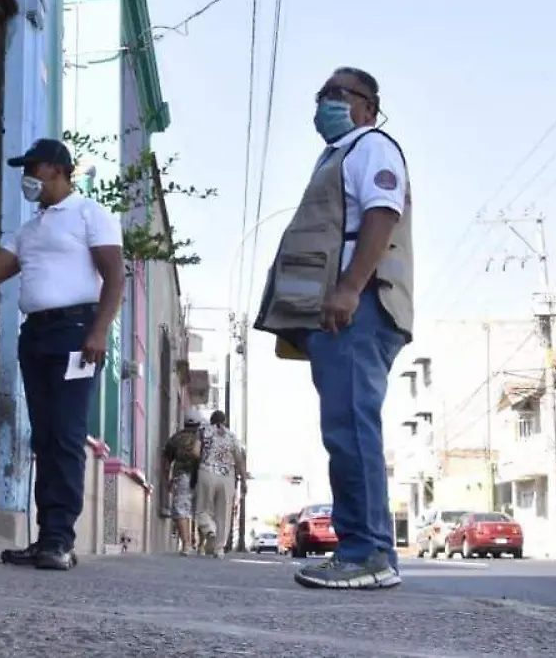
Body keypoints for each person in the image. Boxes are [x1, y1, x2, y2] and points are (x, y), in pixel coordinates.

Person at [253, 67, 413, 590]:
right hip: (340, 310)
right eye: (321, 94)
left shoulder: (371, 146)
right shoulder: (340, 154)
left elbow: (382, 213)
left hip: (360, 305)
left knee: (351, 428)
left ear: (368, 106)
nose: (324, 104)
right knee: (344, 430)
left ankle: (369, 553)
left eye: (337, 95)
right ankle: (363, 549)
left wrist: (347, 288)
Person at [0, 138, 125, 571]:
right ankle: (45, 540)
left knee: (66, 434)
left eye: (33, 169)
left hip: (77, 334)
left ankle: (60, 539)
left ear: (57, 170)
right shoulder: (28, 229)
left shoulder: (89, 214)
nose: (28, 178)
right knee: (43, 437)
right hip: (36, 337)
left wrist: (98, 331)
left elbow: (114, 277)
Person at [194, 410, 245, 558]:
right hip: (227, 477)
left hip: (207, 472)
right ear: (225, 421)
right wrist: (244, 481)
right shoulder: (232, 436)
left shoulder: (203, 431)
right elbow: (239, 460)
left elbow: (196, 452)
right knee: (224, 513)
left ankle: (209, 529)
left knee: (203, 508)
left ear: (211, 420)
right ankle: (219, 549)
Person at [161, 408, 207, 555]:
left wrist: (166, 480)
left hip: (182, 476)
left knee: (182, 509)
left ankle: (186, 544)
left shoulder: (175, 438)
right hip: (202, 476)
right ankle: (201, 545)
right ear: (199, 424)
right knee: (202, 510)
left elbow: (166, 461)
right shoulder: (205, 438)